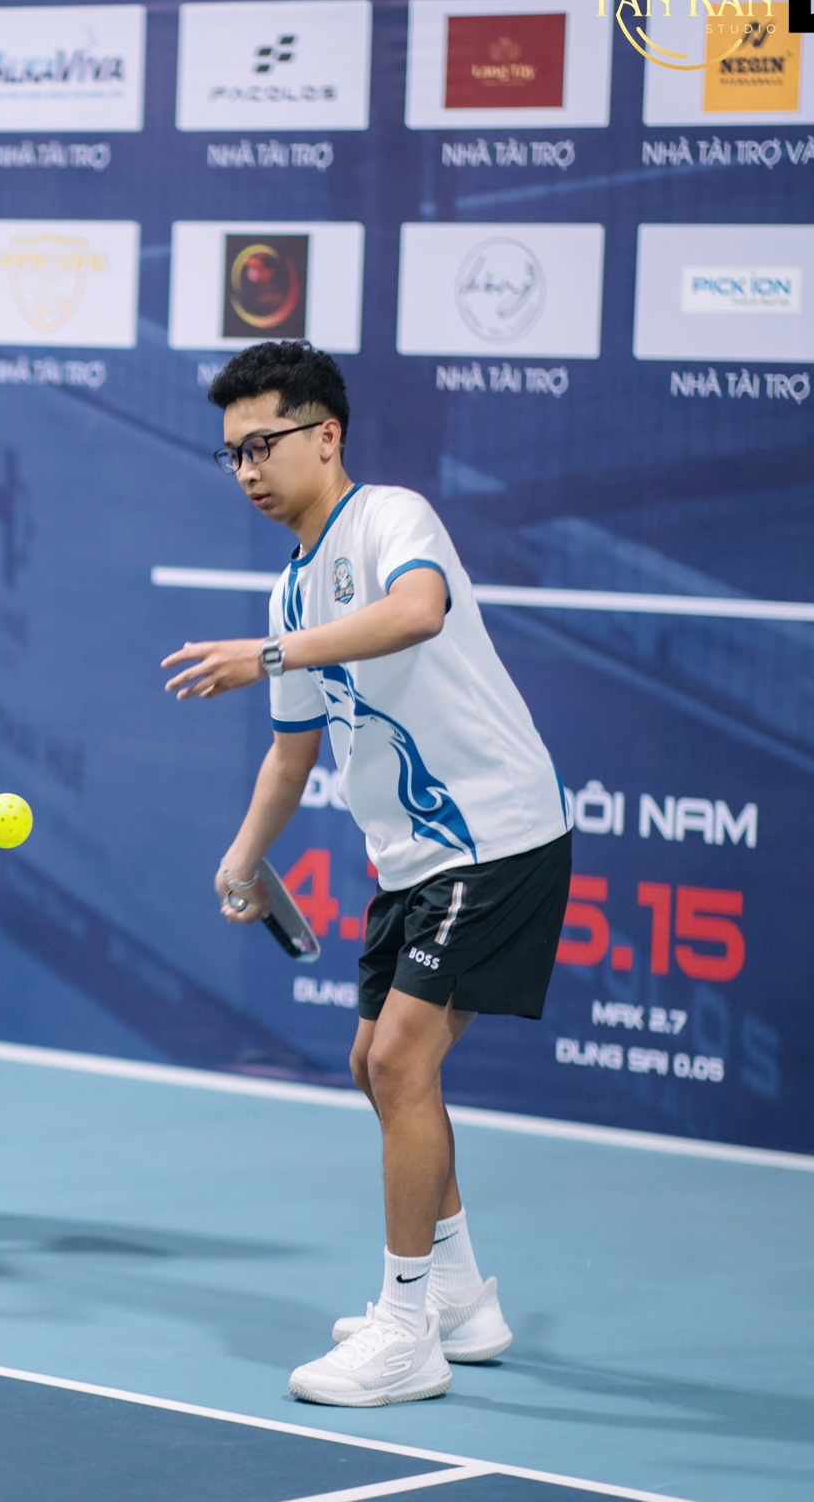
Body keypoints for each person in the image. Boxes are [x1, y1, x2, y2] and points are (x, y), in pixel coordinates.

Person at [162, 341, 570, 1407]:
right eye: (232, 453)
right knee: (372, 1065)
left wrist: (269, 654)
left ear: (326, 434)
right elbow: (291, 752)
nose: (248, 469)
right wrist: (243, 859)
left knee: (399, 1060)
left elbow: (417, 611)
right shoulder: (292, 588)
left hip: (495, 837)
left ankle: (404, 1329)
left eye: (264, 443)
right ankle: (460, 1296)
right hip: (417, 860)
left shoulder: (391, 518)